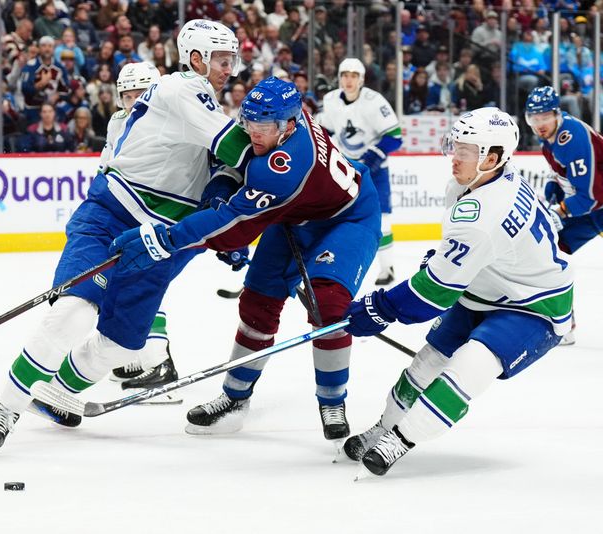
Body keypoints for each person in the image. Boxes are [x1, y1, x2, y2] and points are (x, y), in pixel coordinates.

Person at [0, 20, 252, 450]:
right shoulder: (183, 89)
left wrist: (226, 226)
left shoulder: (204, 103)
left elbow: (220, 167)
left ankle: (58, 393)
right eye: (221, 59)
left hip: (160, 240)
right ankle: (6, 406)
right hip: (112, 219)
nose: (229, 68)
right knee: (74, 313)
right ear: (195, 58)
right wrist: (293, 153)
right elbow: (236, 147)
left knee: (123, 345)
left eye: (231, 59)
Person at [112, 77, 381, 440]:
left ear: (288, 126)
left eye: (263, 127)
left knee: (328, 307)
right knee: (257, 303)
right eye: (248, 123)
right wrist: (220, 186)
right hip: (293, 213)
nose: (254, 133)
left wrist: (166, 239)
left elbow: (230, 221)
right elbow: (235, 163)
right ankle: (234, 398)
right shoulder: (282, 125)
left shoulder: (285, 166)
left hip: (346, 218)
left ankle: (332, 400)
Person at [341, 108, 573, 478]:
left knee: (468, 365)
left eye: (466, 150)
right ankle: (383, 426)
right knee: (427, 362)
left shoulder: (483, 213)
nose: (455, 157)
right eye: (456, 146)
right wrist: (444, 259)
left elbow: (433, 294)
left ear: (492, 158)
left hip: (534, 306)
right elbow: (465, 259)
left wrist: (379, 307)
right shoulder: (485, 180)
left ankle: (400, 439)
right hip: (486, 288)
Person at [94, 62, 181, 393]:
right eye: (127, 95)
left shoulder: (172, 122)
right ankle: (142, 355)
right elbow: (107, 165)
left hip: (162, 219)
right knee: (129, 285)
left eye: (140, 94)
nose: (133, 101)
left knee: (142, 284)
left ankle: (158, 362)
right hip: (129, 216)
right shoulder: (117, 122)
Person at [525, 86, 603, 345]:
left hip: (593, 206)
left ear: (557, 114)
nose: (539, 124)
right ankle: (562, 323)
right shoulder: (549, 136)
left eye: (545, 117)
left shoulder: (573, 137)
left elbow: (589, 196)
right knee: (549, 254)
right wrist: (554, 184)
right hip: (588, 209)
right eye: (534, 118)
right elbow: (565, 172)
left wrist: (559, 210)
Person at [318, 58, 402, 286]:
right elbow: (328, 129)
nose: (349, 80)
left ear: (362, 79)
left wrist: (373, 157)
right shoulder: (331, 99)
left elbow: (395, 136)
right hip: (344, 169)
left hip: (374, 172)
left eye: (354, 75)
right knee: (333, 218)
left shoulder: (374, 102)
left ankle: (388, 268)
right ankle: (328, 266)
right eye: (345, 74)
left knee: (382, 222)